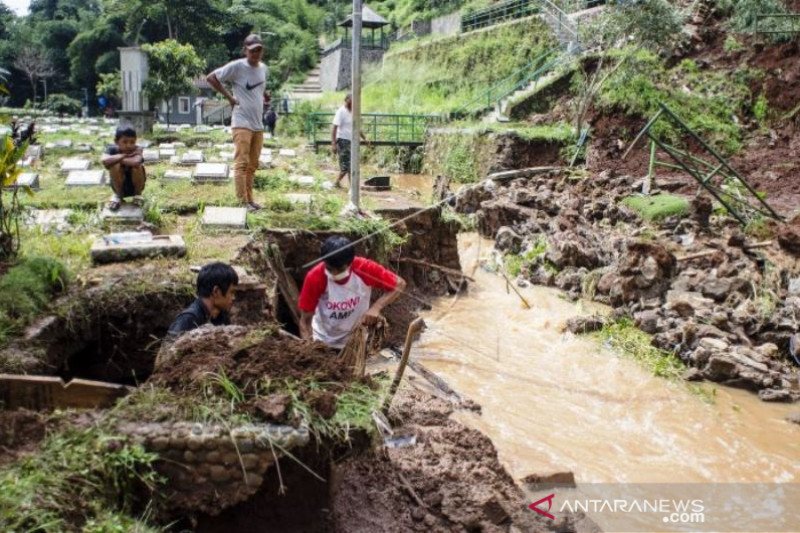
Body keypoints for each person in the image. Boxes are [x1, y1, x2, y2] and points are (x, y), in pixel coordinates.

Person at [298, 236, 406, 349]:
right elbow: (305, 321)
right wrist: (310, 349)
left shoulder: (364, 268)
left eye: (340, 270)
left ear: (350, 263)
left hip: (354, 342)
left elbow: (399, 284)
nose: (334, 274)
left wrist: (376, 308)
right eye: (330, 269)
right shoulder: (315, 277)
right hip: (323, 341)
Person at [207, 34, 268, 212]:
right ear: (245, 50)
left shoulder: (263, 68)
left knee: (253, 164)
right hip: (241, 121)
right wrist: (230, 98)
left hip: (258, 123)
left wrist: (262, 99)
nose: (256, 53)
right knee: (241, 163)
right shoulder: (237, 66)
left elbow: (257, 91)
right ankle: (242, 202)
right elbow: (211, 78)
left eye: (259, 50)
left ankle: (250, 199)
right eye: (252, 50)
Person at [167, 262, 239, 337]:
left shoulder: (221, 317)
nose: (234, 298)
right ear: (216, 291)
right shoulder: (188, 320)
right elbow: (168, 347)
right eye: (231, 292)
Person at [102, 125, 145, 211]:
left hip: (135, 186)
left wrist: (115, 159)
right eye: (125, 142)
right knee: (114, 166)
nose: (129, 145)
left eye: (132, 142)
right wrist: (124, 155)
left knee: (137, 167)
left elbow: (136, 162)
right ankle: (119, 196)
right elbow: (104, 161)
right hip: (118, 186)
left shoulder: (138, 149)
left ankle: (138, 196)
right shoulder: (111, 149)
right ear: (116, 141)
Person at [331, 94, 369, 188]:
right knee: (346, 166)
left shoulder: (353, 112)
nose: (354, 102)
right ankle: (338, 183)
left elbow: (357, 128)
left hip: (352, 142)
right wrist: (333, 144)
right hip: (342, 141)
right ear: (347, 100)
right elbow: (334, 128)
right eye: (352, 100)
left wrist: (365, 138)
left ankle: (349, 186)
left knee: (351, 165)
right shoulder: (341, 111)